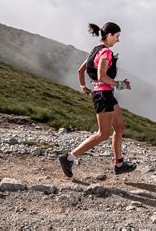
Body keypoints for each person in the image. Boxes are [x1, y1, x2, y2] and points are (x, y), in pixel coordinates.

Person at [59, 22, 137, 177]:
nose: (118, 40)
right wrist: (121, 84)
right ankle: (69, 157)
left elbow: (80, 71)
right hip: (103, 95)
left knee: (120, 128)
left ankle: (119, 164)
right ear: (109, 35)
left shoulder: (95, 51)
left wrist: (84, 86)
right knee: (103, 134)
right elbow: (102, 76)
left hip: (103, 94)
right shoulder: (106, 52)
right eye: (117, 36)